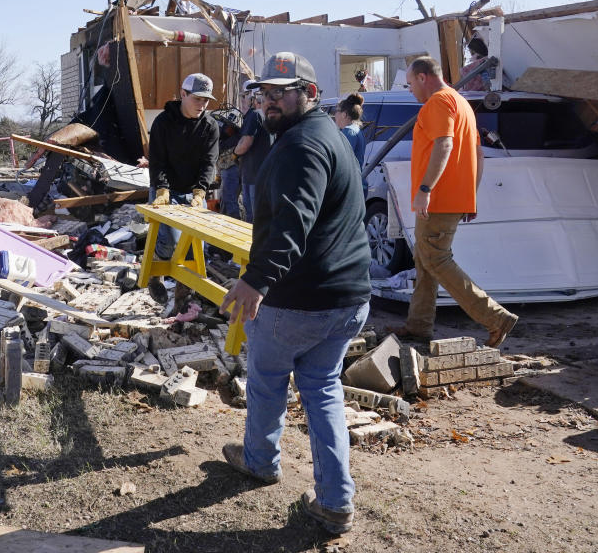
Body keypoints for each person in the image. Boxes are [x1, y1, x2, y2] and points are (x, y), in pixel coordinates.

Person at [219, 52, 371, 535]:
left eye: (281, 93)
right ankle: (335, 500)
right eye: (264, 93)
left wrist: (256, 279)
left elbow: (291, 226)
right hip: (347, 297)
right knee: (323, 389)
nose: (269, 102)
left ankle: (261, 460)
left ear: (310, 93)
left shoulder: (300, 147)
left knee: (266, 378)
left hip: (300, 298)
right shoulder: (329, 135)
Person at [390, 56, 518, 348]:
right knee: (425, 261)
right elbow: (478, 154)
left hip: (437, 200)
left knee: (436, 259)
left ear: (423, 77)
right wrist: (469, 196)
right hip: (450, 199)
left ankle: (496, 318)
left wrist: (425, 188)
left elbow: (445, 143)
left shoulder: (437, 102)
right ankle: (418, 325)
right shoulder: (461, 104)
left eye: (410, 83)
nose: (410, 90)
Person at [147, 73, 220, 302]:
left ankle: (182, 297)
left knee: (193, 247)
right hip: (165, 189)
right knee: (168, 240)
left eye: (206, 100)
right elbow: (158, 160)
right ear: (183, 94)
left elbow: (210, 162)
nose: (202, 105)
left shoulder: (210, 126)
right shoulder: (163, 122)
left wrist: (200, 191)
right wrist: (161, 189)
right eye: (197, 99)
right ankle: (155, 274)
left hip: (193, 191)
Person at [233, 82, 271, 222]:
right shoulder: (266, 115)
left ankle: (253, 244)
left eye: (244, 97)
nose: (243, 100)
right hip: (259, 175)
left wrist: (234, 154)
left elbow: (245, 143)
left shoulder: (255, 115)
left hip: (254, 176)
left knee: (253, 218)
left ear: (252, 98)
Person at [334, 93, 366, 168]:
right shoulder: (356, 130)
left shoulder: (348, 131)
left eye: (336, 111)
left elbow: (341, 161)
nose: (334, 114)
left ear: (344, 114)